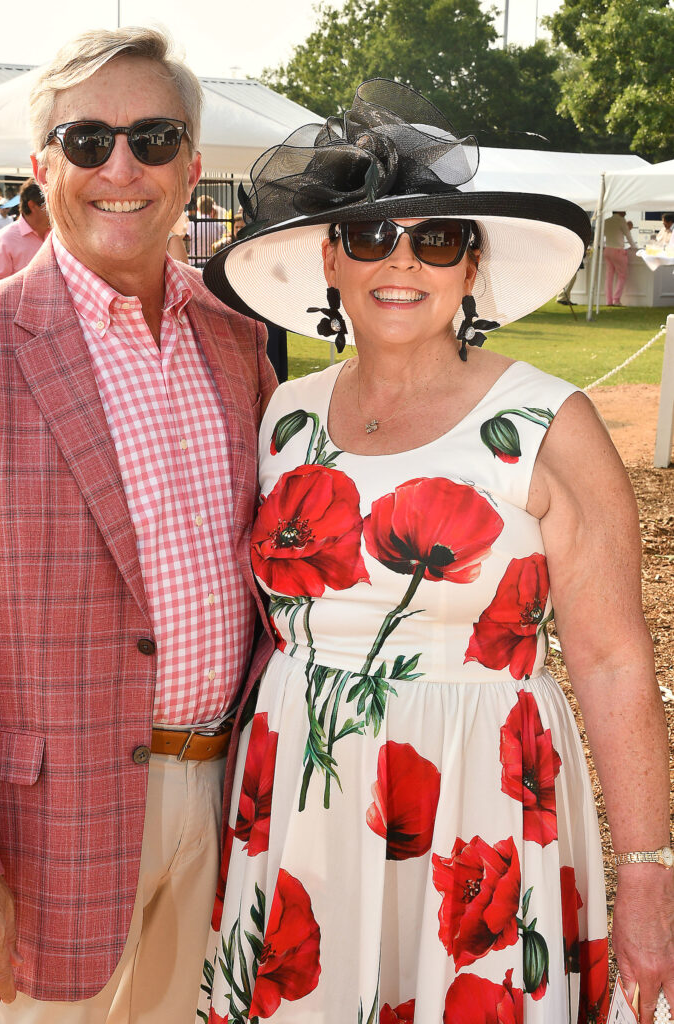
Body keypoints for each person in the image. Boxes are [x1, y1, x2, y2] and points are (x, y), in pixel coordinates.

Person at [197, 79, 674, 1024]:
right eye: (370, 235)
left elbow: (615, 661)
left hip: (478, 804)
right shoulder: (285, 415)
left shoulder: (549, 423)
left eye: (438, 238)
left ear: (471, 266)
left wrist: (649, 871)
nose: (402, 261)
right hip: (300, 800)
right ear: (330, 259)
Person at [0, 27, 276, 1024]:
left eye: (153, 138)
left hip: (228, 798)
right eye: (88, 140)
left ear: (190, 165)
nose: (121, 168)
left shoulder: (239, 346)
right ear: (41, 166)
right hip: (50, 826)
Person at [0, 178, 50, 288]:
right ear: (32, 206)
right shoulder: (5, 239)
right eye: (51, 203)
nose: (59, 209)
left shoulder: (58, 236)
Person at [602, 209, 636, 306]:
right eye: (624, 211)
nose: (625, 213)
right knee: (622, 276)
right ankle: (616, 300)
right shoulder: (621, 220)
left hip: (607, 250)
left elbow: (603, 235)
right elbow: (628, 235)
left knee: (609, 277)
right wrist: (635, 248)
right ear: (619, 211)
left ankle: (608, 301)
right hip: (618, 251)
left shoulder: (606, 221)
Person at [187, 193, 224, 263]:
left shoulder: (190, 225)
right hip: (211, 263)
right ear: (212, 209)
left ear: (198, 209)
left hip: (194, 262)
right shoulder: (219, 227)